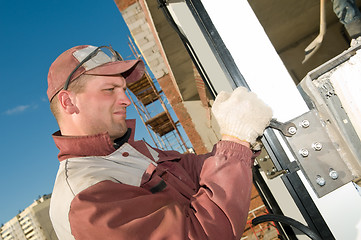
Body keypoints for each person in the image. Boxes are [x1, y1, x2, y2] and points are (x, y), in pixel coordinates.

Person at [47, 44, 273, 240]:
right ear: (68, 102)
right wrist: (235, 139)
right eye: (109, 90)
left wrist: (236, 141)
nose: (126, 100)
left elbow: (196, 169)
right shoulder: (86, 194)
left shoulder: (130, 154)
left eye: (124, 90)